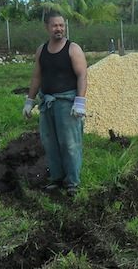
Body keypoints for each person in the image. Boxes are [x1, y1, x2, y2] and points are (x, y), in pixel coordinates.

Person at [23, 11, 88, 197]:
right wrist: (30, 100)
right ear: (47, 27)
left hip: (67, 103)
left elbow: (82, 75)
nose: (58, 29)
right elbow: (37, 76)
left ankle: (72, 182)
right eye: (55, 25)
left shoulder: (72, 49)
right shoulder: (41, 50)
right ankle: (56, 178)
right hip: (47, 103)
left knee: (69, 144)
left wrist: (80, 101)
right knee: (50, 143)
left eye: (61, 25)